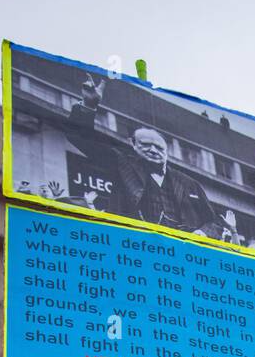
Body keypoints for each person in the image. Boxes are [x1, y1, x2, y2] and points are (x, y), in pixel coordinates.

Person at [65, 73, 221, 235]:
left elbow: (214, 222)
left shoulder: (190, 184)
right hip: (136, 246)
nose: (153, 150)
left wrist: (202, 232)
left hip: (181, 251)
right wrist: (89, 106)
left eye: (158, 147)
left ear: (167, 150)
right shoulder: (123, 165)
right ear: (133, 144)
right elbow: (80, 138)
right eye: (146, 145)